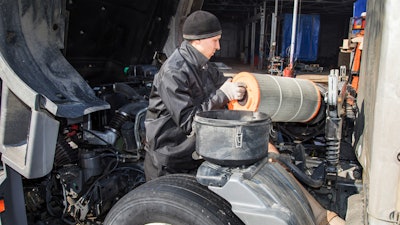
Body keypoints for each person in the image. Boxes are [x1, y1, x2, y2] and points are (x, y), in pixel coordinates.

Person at [144, 10, 246, 181]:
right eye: (215, 41)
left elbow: (223, 84)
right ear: (197, 41)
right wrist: (223, 95)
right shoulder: (173, 72)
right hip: (169, 161)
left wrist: (240, 87)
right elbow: (189, 122)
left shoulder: (204, 65)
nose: (218, 47)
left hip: (191, 153)